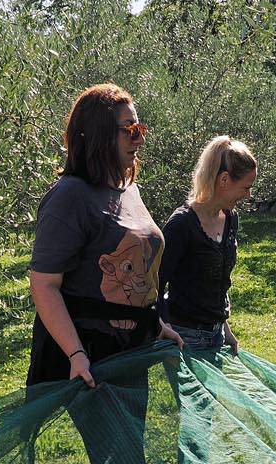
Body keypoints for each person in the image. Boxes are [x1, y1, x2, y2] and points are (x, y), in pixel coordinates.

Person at [27, 82, 183, 389]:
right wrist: (76, 354)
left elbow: (137, 271)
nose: (138, 138)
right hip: (89, 357)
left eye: (139, 128)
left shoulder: (129, 190)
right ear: (98, 135)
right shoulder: (69, 197)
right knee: (116, 440)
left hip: (131, 348)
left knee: (129, 439)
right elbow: (44, 285)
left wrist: (156, 325)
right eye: (128, 129)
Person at [158, 135, 257, 353]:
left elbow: (216, 284)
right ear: (224, 180)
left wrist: (225, 328)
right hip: (184, 338)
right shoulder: (182, 225)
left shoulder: (231, 219)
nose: (248, 195)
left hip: (217, 335)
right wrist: (164, 329)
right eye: (245, 187)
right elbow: (154, 284)